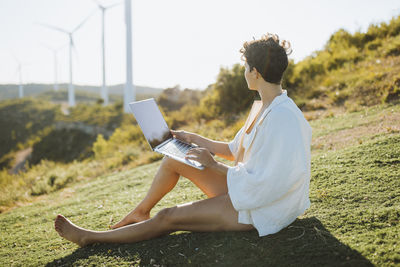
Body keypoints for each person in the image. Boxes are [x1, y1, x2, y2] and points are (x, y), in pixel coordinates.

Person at [54, 33, 312, 247]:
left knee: (168, 217)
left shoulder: (283, 117)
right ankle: (140, 211)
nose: (244, 72)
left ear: (255, 72)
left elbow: (269, 183)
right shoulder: (263, 107)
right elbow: (234, 151)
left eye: (245, 68)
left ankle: (91, 238)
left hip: (259, 210)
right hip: (245, 192)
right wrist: (193, 138)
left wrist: (212, 165)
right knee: (173, 160)